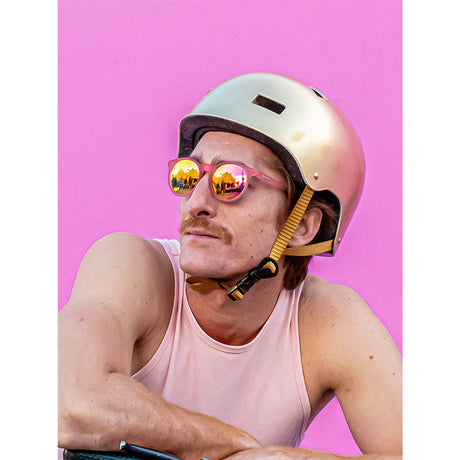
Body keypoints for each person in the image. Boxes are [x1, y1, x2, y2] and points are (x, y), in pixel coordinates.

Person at [58, 72, 402, 460]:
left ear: (303, 226)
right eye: (188, 176)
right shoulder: (130, 266)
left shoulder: (331, 321)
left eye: (230, 181)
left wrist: (283, 459)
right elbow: (70, 402)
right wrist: (234, 445)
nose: (196, 203)